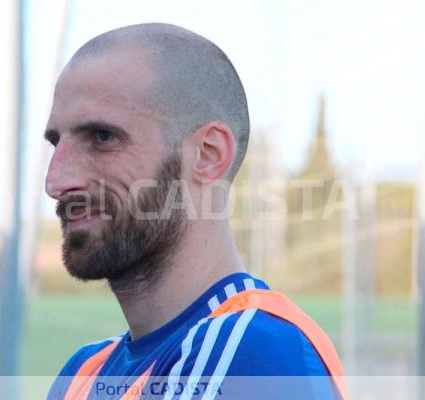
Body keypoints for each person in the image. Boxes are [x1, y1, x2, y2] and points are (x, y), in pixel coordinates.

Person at [44, 23, 346, 400]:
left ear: (207, 155)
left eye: (102, 138)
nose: (55, 181)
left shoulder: (249, 351)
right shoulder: (84, 373)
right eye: (57, 142)